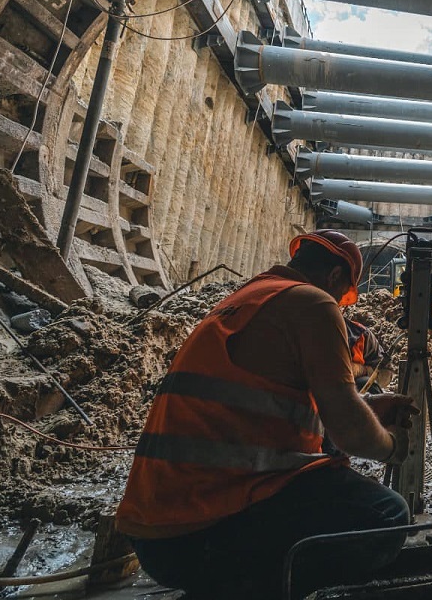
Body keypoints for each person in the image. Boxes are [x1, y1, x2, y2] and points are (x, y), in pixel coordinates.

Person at [116, 230, 416, 599]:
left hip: (158, 528)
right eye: (343, 297)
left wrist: (369, 408)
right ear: (335, 277)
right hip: (203, 532)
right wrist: (392, 446)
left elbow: (274, 407)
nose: (341, 305)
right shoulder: (314, 304)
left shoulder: (246, 300)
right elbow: (349, 433)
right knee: (386, 517)